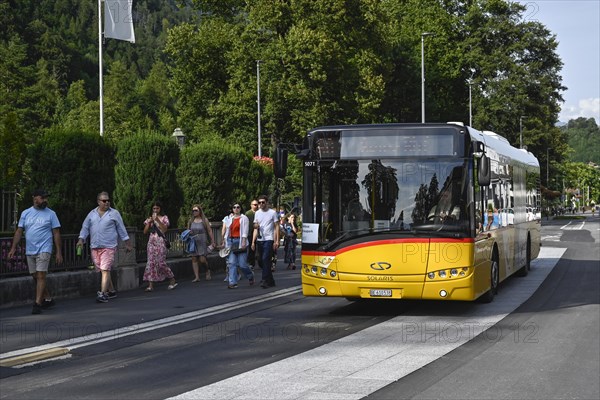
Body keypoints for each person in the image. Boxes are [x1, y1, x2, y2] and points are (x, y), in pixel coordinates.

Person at [8, 189, 62, 314]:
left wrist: (59, 251)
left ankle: (37, 304)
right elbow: (19, 231)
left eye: (46, 198)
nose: (45, 200)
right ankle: (48, 298)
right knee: (35, 276)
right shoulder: (26, 213)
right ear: (35, 198)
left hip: (45, 248)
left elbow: (56, 233)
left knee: (41, 275)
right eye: (42, 198)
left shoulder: (51, 214)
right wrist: (13, 248)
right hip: (30, 249)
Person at [77, 192, 132, 303]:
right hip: (95, 247)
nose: (107, 202)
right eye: (104, 201)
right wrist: (81, 239)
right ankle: (111, 290)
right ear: (98, 201)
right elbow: (85, 227)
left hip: (109, 246)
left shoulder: (114, 213)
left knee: (105, 269)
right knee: (103, 270)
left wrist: (127, 242)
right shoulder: (92, 214)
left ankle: (103, 294)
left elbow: (121, 228)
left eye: (108, 200)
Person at [142, 201, 177, 291]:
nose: (155, 210)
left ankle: (172, 278)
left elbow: (165, 229)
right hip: (151, 242)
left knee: (161, 263)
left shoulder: (164, 218)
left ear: (160, 209)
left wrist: (157, 220)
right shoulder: (149, 219)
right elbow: (145, 232)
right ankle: (150, 285)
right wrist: (149, 223)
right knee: (150, 263)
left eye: (157, 208)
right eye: (154, 208)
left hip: (160, 241)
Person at [222, 202, 254, 288]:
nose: (236, 209)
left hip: (240, 241)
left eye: (238, 207)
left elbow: (245, 231)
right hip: (231, 241)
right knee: (232, 263)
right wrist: (225, 241)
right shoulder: (230, 218)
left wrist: (243, 241)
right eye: (234, 207)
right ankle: (232, 283)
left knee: (242, 264)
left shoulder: (244, 218)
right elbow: (227, 230)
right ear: (232, 209)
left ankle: (250, 276)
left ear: (240, 208)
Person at [251, 195, 279, 288]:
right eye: (259, 203)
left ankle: (264, 280)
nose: (261, 204)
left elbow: (276, 227)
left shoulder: (272, 213)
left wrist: (276, 241)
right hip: (260, 239)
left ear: (267, 202)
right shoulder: (257, 213)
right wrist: (253, 242)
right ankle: (271, 280)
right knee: (261, 261)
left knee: (265, 259)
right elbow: (255, 227)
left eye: (263, 202)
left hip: (269, 239)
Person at [188, 204, 215, 282]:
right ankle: (197, 277)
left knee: (202, 259)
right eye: (193, 210)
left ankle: (207, 270)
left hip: (202, 240)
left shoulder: (204, 220)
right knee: (194, 258)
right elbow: (188, 230)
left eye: (196, 210)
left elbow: (209, 230)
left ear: (200, 211)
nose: (194, 212)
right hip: (193, 240)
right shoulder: (191, 220)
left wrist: (212, 240)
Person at [245, 199, 259, 270]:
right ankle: (251, 263)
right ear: (251, 205)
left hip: (259, 233)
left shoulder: (260, 213)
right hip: (250, 233)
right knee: (251, 249)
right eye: (254, 204)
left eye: (257, 204)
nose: (256, 206)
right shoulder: (248, 213)